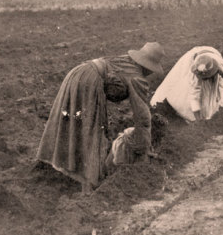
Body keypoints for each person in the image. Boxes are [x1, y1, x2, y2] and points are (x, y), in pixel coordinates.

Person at [36, 42, 165, 191]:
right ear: (148, 67)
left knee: (71, 122)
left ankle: (59, 165)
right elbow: (143, 117)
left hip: (78, 73)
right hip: (89, 82)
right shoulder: (137, 78)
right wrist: (143, 150)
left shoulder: (124, 61)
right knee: (91, 129)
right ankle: (88, 182)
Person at [151, 46, 223, 122]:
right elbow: (194, 95)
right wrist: (198, 119)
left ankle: (215, 111)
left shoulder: (221, 65)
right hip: (192, 58)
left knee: (217, 89)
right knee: (182, 90)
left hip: (210, 55)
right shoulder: (196, 73)